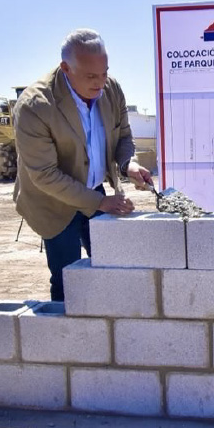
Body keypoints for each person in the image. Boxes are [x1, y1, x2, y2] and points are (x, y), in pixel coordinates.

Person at [14, 28, 152, 302]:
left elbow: (122, 135)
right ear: (66, 68)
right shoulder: (35, 106)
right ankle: (68, 338)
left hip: (95, 191)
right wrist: (101, 203)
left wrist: (129, 165)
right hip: (52, 202)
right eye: (91, 76)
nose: (100, 83)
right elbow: (44, 175)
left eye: (104, 73)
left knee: (110, 268)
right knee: (68, 280)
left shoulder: (110, 89)